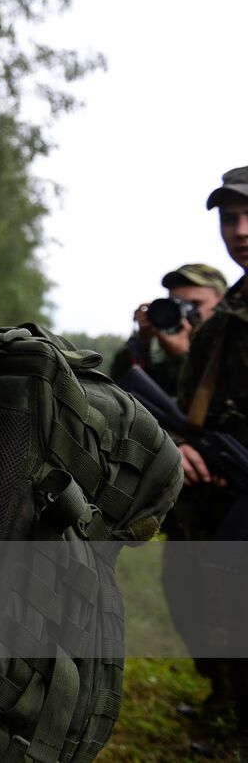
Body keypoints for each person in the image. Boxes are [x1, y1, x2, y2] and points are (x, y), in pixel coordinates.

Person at [170, 165, 248, 731]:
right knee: (210, 593)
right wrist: (187, 442)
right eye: (229, 218)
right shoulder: (228, 316)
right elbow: (194, 402)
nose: (239, 229)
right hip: (220, 483)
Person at [110, 263, 226, 394]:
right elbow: (118, 388)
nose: (186, 312)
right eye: (178, 303)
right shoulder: (158, 342)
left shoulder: (233, 340)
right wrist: (142, 343)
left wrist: (181, 356)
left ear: (222, 301)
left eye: (195, 303)